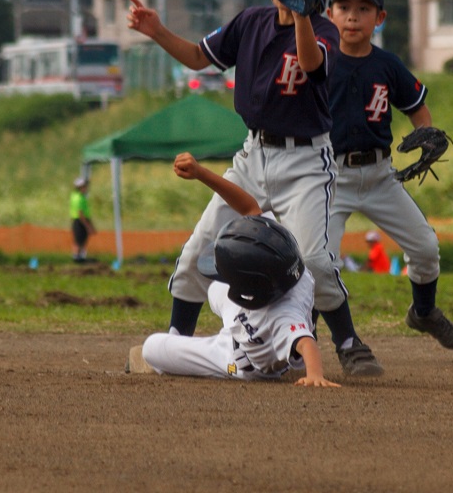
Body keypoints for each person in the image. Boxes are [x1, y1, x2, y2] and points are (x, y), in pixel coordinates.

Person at [126, 0, 384, 378]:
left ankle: (348, 342)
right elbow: (197, 57)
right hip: (252, 156)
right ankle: (175, 344)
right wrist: (156, 30)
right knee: (196, 254)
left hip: (306, 162)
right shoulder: (251, 22)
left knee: (316, 259)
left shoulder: (324, 29)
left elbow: (309, 63)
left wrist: (302, 11)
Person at [322, 0, 453, 351]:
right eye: (343, 6)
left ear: (380, 18)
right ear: (329, 14)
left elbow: (417, 108)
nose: (353, 16)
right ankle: (323, 338)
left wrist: (426, 135)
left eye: (364, 8)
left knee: (424, 247)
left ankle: (423, 313)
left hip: (379, 175)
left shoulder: (387, 65)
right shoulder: (320, 61)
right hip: (329, 177)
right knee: (320, 262)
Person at [126, 152, 339, 388]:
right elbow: (249, 206)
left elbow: (307, 343)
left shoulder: (283, 316)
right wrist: (200, 173)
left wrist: (315, 375)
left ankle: (167, 359)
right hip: (249, 311)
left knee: (152, 347)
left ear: (249, 290)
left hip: (238, 359)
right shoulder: (281, 258)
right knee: (215, 287)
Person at [69, 176, 97, 263]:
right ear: (80, 187)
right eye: (84, 186)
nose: (86, 188)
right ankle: (77, 258)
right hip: (80, 221)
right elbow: (80, 213)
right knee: (79, 240)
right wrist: (88, 226)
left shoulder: (77, 196)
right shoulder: (78, 198)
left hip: (80, 220)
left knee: (82, 239)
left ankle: (80, 257)